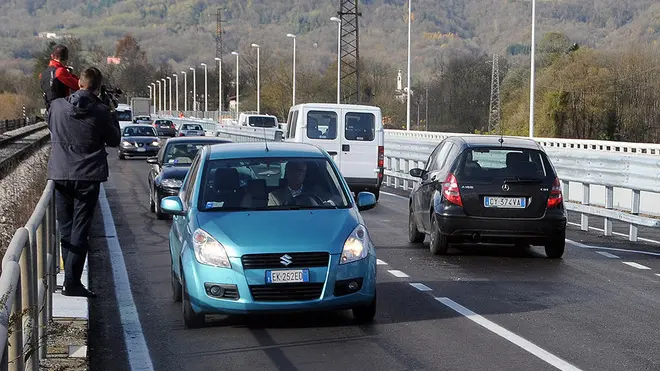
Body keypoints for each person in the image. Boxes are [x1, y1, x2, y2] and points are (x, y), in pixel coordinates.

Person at [47, 67, 121, 297]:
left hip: (60, 173)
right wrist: (112, 113)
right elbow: (114, 140)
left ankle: (68, 278)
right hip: (87, 175)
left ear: (79, 83)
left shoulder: (57, 107)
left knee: (66, 227)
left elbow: (51, 126)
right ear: (98, 87)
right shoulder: (100, 111)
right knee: (80, 228)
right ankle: (72, 281)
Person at [39, 44, 80, 111]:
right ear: (66, 58)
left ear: (52, 56)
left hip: (50, 110)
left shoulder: (42, 74)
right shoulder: (60, 71)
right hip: (62, 109)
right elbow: (78, 85)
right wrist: (71, 75)